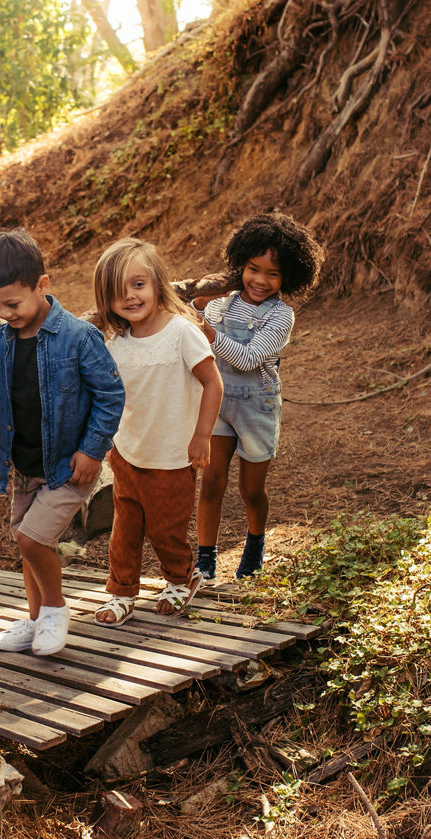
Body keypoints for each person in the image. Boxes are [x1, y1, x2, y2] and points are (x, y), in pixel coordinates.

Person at [0, 230, 124, 656]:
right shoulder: (0, 343)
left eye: (13, 304)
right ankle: (37, 618)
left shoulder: (78, 337)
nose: (4, 314)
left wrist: (93, 449)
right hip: (24, 468)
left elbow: (111, 395)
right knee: (27, 544)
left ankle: (56, 611)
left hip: (68, 466)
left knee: (31, 540)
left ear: (42, 285)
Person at [90, 238, 223, 627]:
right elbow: (110, 397)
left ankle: (182, 577)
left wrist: (202, 436)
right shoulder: (115, 343)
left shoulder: (182, 332)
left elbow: (213, 384)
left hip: (172, 455)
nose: (129, 297)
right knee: (125, 529)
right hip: (128, 453)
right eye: (117, 291)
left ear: (157, 283)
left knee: (166, 528)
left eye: (138, 284)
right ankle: (121, 591)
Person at [193, 213, 324, 580]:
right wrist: (200, 300)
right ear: (239, 266)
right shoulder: (222, 303)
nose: (261, 280)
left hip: (257, 406)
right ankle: (205, 557)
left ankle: (254, 543)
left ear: (289, 278)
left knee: (251, 489)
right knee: (211, 482)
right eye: (253, 269)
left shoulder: (282, 316)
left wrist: (206, 329)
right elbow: (191, 320)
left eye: (273, 273)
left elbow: (249, 358)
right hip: (217, 400)